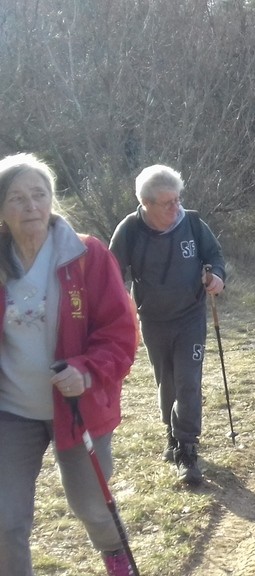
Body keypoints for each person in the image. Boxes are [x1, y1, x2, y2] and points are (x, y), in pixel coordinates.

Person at [0, 153, 138, 575]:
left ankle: (117, 558)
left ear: (52, 200)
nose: (31, 207)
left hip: (79, 408)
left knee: (92, 505)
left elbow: (120, 331)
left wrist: (88, 369)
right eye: (18, 198)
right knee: (5, 521)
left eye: (39, 195)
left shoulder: (86, 254)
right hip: (12, 411)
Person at [108, 164, 227, 486]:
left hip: (190, 314)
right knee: (167, 382)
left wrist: (216, 277)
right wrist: (119, 308)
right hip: (153, 319)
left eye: (178, 199)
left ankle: (187, 449)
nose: (176, 208)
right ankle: (171, 434)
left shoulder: (191, 222)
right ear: (146, 203)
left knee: (188, 381)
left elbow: (214, 255)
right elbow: (111, 275)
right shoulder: (130, 229)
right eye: (167, 203)